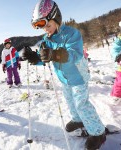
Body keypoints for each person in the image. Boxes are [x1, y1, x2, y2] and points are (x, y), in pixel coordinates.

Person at [21, 0, 106, 149]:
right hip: (64, 79)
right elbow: (45, 58)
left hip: (78, 77)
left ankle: (98, 132)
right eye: (43, 27)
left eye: (49, 25)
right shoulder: (46, 40)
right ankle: (78, 120)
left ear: (57, 19)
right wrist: (35, 57)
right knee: (70, 102)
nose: (46, 30)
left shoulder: (71, 34)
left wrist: (55, 54)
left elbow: (75, 54)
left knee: (81, 104)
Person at [110, 21, 121, 104]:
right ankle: (116, 96)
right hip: (120, 64)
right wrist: (118, 55)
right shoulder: (119, 40)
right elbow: (114, 49)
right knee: (120, 81)